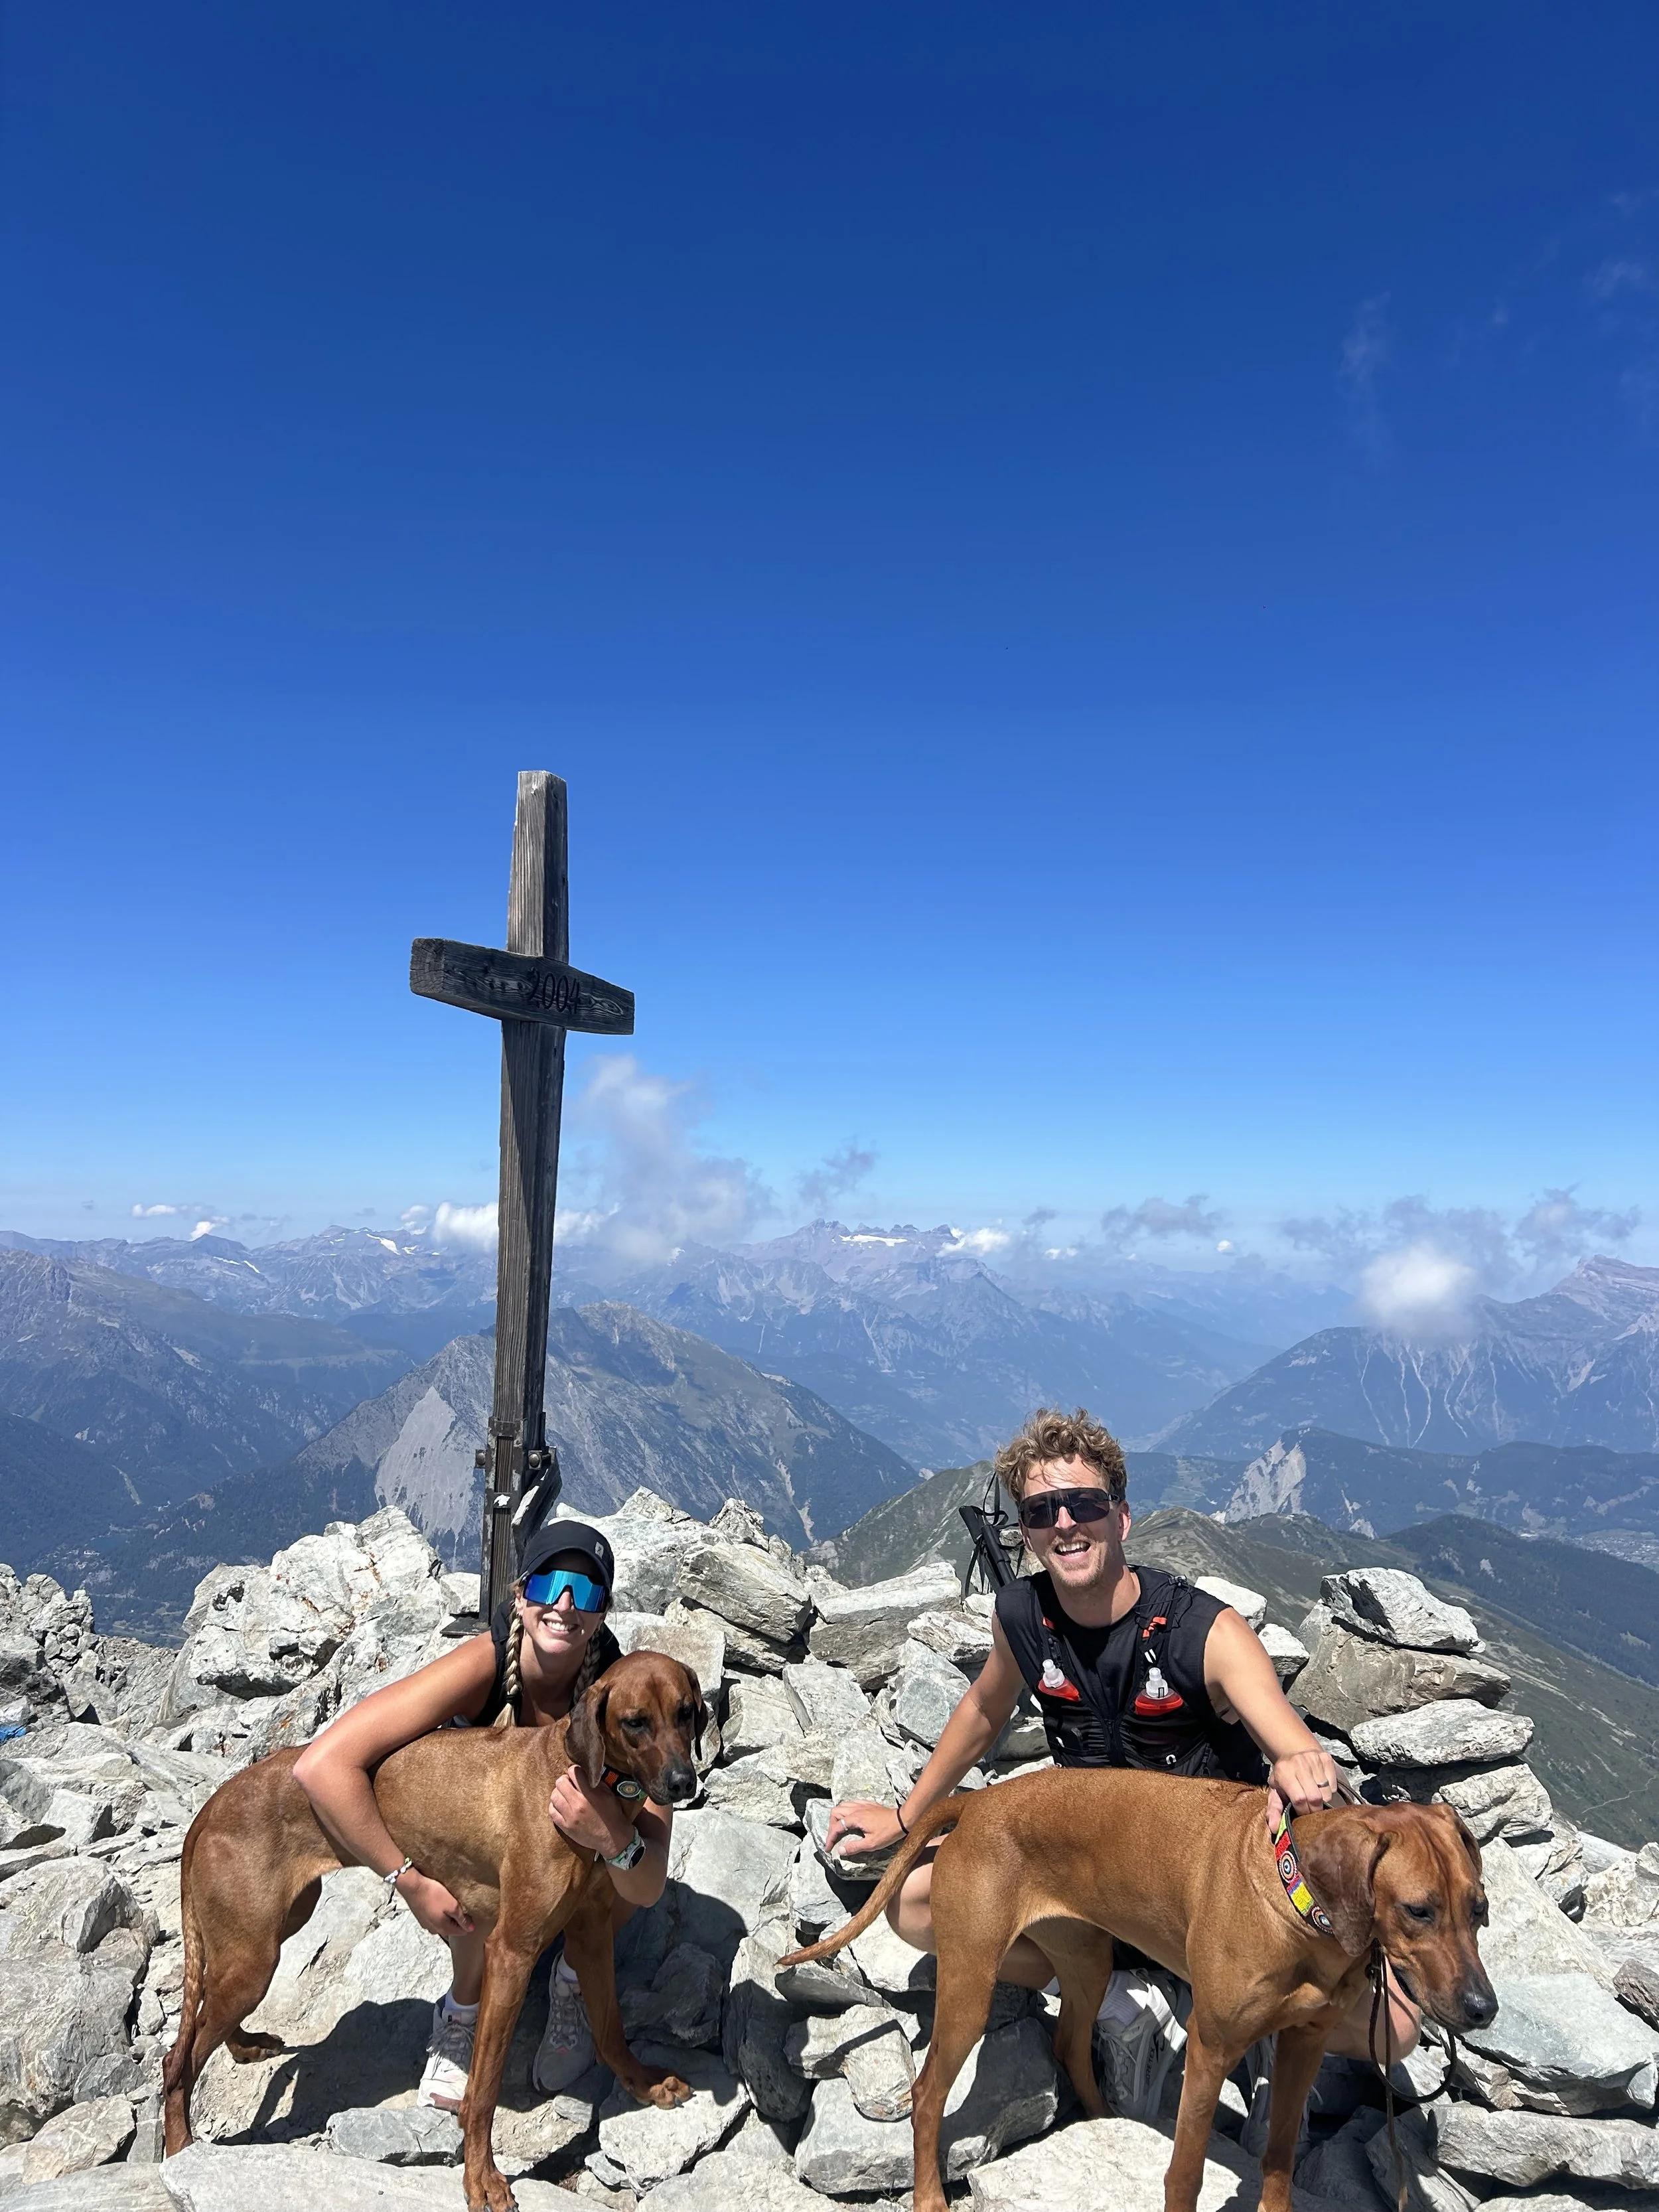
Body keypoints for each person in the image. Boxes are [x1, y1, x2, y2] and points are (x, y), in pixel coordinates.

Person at [826, 1407, 1418, 2111]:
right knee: (917, 1905)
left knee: (1396, 2032)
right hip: (1094, 1888)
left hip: (1210, 1900)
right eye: (1043, 1510)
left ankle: (1241, 2002)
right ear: (1027, 1529)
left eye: (1084, 1503)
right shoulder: (1023, 1614)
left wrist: (1299, 1763)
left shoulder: (1203, 1630)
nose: (1066, 1523)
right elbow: (984, 1711)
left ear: (1121, 1518)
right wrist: (906, 1815)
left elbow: (1283, 1732)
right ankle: (1113, 1999)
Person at [291, 1519, 670, 2109]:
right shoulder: (487, 1661)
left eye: (588, 1592)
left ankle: (572, 1978)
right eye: (550, 1583)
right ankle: (461, 2013)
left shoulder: (631, 1700)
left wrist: (612, 1833)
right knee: (472, 1868)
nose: (566, 1605)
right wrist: (407, 1880)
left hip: (571, 1872)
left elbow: (647, 1885)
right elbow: (322, 1766)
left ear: (603, 1613)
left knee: (614, 1879)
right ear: (521, 1594)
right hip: (485, 1867)